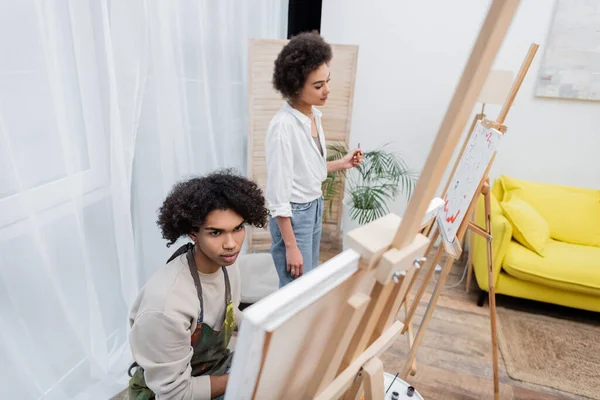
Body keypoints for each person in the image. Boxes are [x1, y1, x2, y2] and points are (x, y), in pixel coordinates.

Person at [127, 170, 269, 400]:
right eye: (216, 233)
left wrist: (264, 329)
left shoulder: (227, 265)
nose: (231, 244)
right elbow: (177, 393)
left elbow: (227, 313)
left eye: (238, 228)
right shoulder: (166, 306)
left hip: (216, 368)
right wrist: (245, 376)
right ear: (193, 233)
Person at [265, 31, 363, 288]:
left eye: (327, 81)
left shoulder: (313, 116)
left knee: (307, 286)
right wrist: (291, 245)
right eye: (318, 86)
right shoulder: (283, 127)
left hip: (313, 205)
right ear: (296, 86)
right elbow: (277, 196)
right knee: (294, 292)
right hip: (294, 216)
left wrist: (342, 163)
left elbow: (307, 171)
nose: (327, 90)